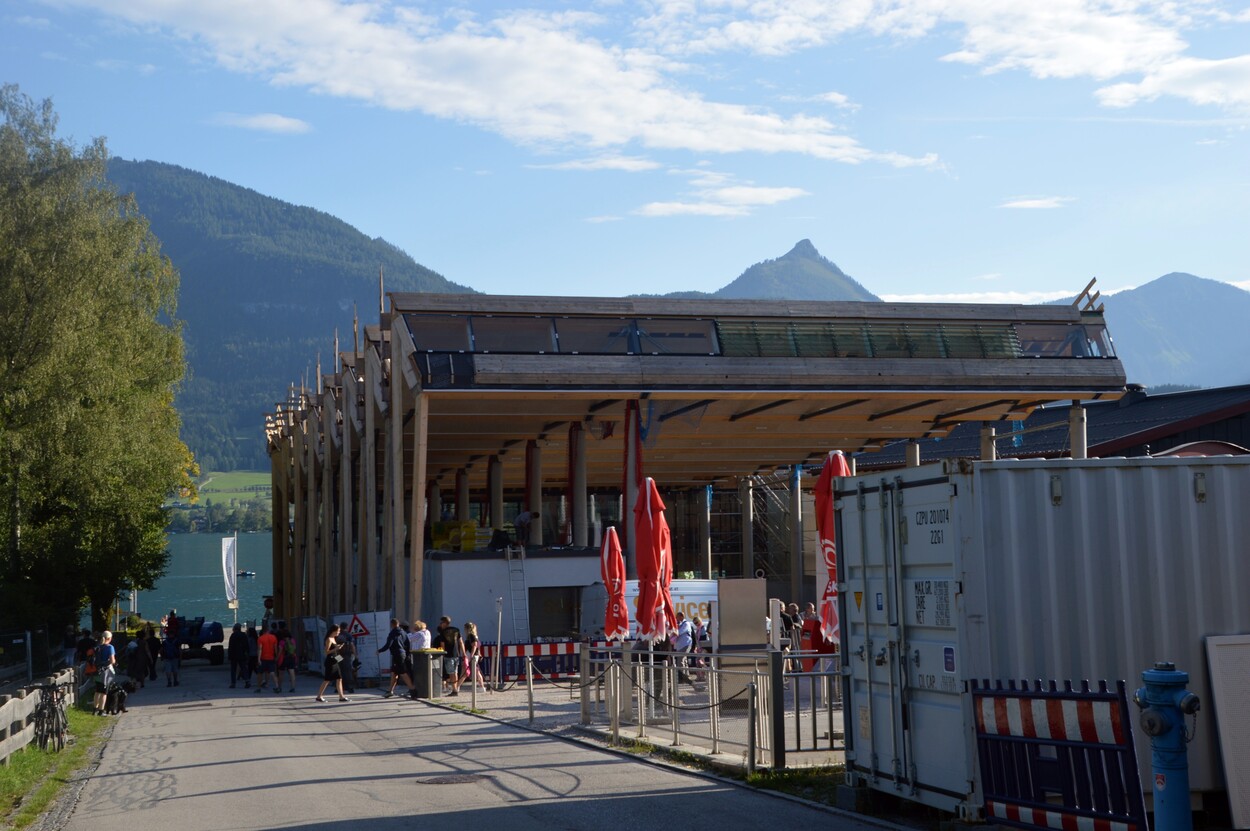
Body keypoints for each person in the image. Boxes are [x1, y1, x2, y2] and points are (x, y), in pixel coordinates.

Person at [378, 619, 414, 698]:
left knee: (403, 672)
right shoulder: (404, 633)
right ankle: (390, 691)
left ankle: (412, 689)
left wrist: (380, 651)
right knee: (394, 673)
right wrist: (407, 654)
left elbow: (389, 644)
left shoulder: (392, 633)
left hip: (397, 654)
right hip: (403, 654)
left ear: (392, 625)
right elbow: (407, 644)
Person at [314, 624, 350, 702]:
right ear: (333, 631)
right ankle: (319, 696)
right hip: (330, 662)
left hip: (335, 660)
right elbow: (326, 652)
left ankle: (341, 696)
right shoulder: (329, 639)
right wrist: (336, 648)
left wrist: (340, 656)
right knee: (327, 680)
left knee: (339, 678)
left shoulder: (334, 638)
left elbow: (335, 653)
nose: (339, 632)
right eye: (338, 631)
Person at [92, 631, 117, 716]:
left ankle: (94, 709)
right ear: (109, 638)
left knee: (97, 691)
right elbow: (112, 661)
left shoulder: (98, 647)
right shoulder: (110, 647)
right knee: (104, 692)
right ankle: (101, 710)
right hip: (106, 672)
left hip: (97, 670)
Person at [439, 620, 465, 697]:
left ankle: (454, 690)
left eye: (441, 623)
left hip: (448, 654)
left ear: (444, 623)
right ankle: (455, 688)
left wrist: (442, 653)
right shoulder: (456, 630)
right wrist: (463, 653)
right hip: (456, 654)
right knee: (455, 672)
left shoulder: (443, 632)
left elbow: (442, 645)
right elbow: (461, 642)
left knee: (451, 673)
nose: (440, 625)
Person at [462, 622, 487, 693]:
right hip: (475, 655)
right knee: (476, 671)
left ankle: (482, 687)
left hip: (472, 654)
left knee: (476, 671)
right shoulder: (475, 636)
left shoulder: (471, 636)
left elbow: (474, 646)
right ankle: (481, 686)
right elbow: (477, 646)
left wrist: (472, 655)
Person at [256, 625, 280, 692]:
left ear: (262, 631)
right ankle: (277, 686)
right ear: (268, 631)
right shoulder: (274, 637)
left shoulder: (260, 638)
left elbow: (260, 649)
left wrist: (258, 659)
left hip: (263, 658)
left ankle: (258, 688)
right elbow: (275, 648)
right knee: (272, 672)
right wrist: (276, 656)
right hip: (271, 658)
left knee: (260, 673)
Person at [227, 623, 250, 688]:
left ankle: (233, 683)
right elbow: (246, 645)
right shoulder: (243, 635)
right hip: (242, 654)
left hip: (234, 655)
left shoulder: (233, 635)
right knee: (244, 668)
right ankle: (247, 681)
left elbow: (230, 646)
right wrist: (247, 653)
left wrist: (229, 655)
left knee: (233, 669)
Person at [277, 627, 298, 693]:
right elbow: (294, 649)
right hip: (291, 657)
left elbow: (280, 651)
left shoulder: (282, 642)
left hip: (284, 658)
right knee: (292, 673)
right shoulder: (292, 640)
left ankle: (279, 687)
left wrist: (277, 658)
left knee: (281, 673)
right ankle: (293, 687)